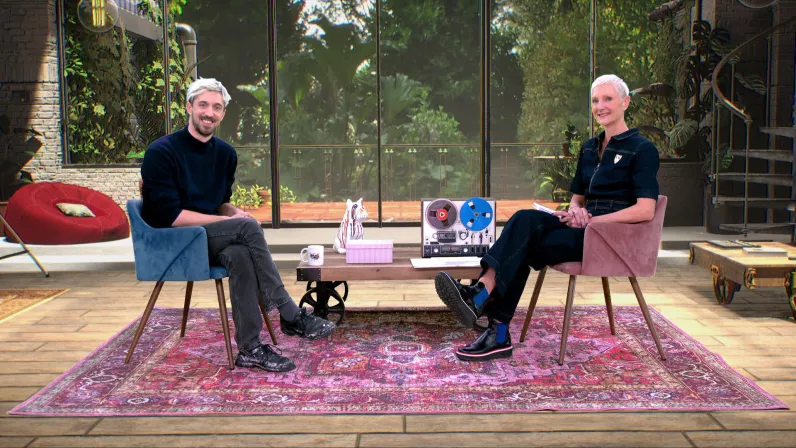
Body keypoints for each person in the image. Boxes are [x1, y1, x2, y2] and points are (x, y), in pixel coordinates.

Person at [435, 74, 660, 362]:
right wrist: (575, 210)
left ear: (625, 102)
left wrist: (592, 221)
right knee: (524, 219)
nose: (600, 106)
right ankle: (486, 308)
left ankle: (486, 308)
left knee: (522, 244)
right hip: (582, 228)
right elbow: (578, 197)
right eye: (595, 100)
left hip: (609, 238)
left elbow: (646, 210)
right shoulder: (590, 148)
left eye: (608, 99)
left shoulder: (642, 149)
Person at [141, 78, 335, 372]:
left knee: (241, 252)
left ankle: (250, 348)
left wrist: (236, 212)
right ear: (189, 107)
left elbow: (219, 202)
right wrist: (229, 221)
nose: (209, 113)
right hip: (172, 242)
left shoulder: (225, 154)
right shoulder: (161, 151)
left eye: (216, 107)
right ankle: (290, 314)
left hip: (207, 239)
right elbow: (169, 216)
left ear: (222, 113)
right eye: (203, 105)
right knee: (245, 229)